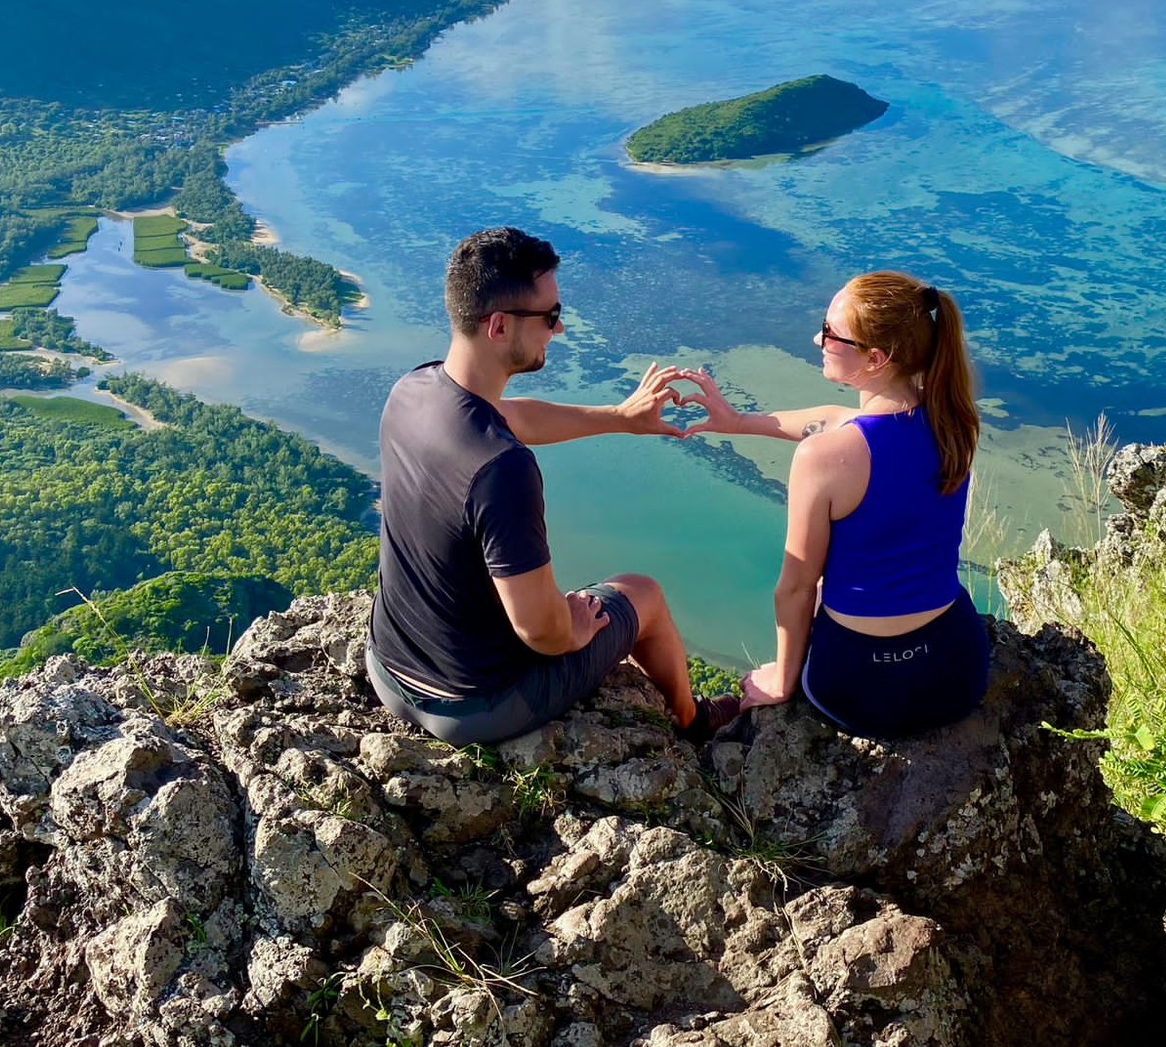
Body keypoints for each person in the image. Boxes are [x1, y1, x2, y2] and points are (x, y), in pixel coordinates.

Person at [366, 225, 742, 747]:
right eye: (550, 317)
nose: (558, 330)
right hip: (472, 709)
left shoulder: (414, 390)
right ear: (499, 326)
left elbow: (513, 416)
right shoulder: (503, 468)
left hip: (388, 667)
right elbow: (540, 632)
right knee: (645, 594)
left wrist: (620, 416)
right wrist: (575, 624)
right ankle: (692, 721)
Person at [679, 271, 990, 738]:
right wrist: (738, 420)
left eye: (830, 333)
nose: (816, 339)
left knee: (820, 587)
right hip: (955, 670)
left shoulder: (823, 459)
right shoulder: (954, 420)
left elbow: (796, 589)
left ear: (876, 359)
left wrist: (781, 679)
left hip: (857, 684)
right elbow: (835, 419)